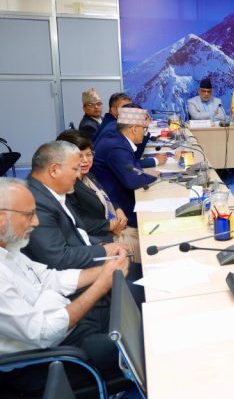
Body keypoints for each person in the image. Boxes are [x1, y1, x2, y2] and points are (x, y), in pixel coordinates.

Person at [0, 178, 130, 394]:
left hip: (69, 327)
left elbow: (50, 278)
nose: (36, 222)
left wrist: (106, 271)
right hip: (49, 358)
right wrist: (100, 286)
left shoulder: (9, 249)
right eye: (29, 215)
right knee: (142, 343)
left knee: (137, 302)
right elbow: (43, 332)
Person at [23, 141, 125, 270]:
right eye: (75, 169)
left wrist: (101, 245)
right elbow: (59, 259)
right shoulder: (34, 202)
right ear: (54, 170)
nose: (78, 174)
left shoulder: (52, 190)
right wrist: (104, 251)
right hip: (75, 273)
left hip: (88, 253)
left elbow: (76, 232)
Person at [56, 130, 141, 261]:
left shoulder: (88, 175)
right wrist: (109, 225)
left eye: (89, 155)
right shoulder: (67, 185)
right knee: (147, 247)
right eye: (79, 156)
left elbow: (104, 196)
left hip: (117, 228)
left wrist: (118, 209)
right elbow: (77, 221)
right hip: (101, 239)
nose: (85, 161)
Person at [92, 106, 158, 228]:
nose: (145, 132)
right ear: (134, 129)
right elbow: (132, 181)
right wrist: (153, 176)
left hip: (117, 195)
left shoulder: (117, 138)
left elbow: (133, 165)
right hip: (118, 208)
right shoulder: (117, 147)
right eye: (144, 128)